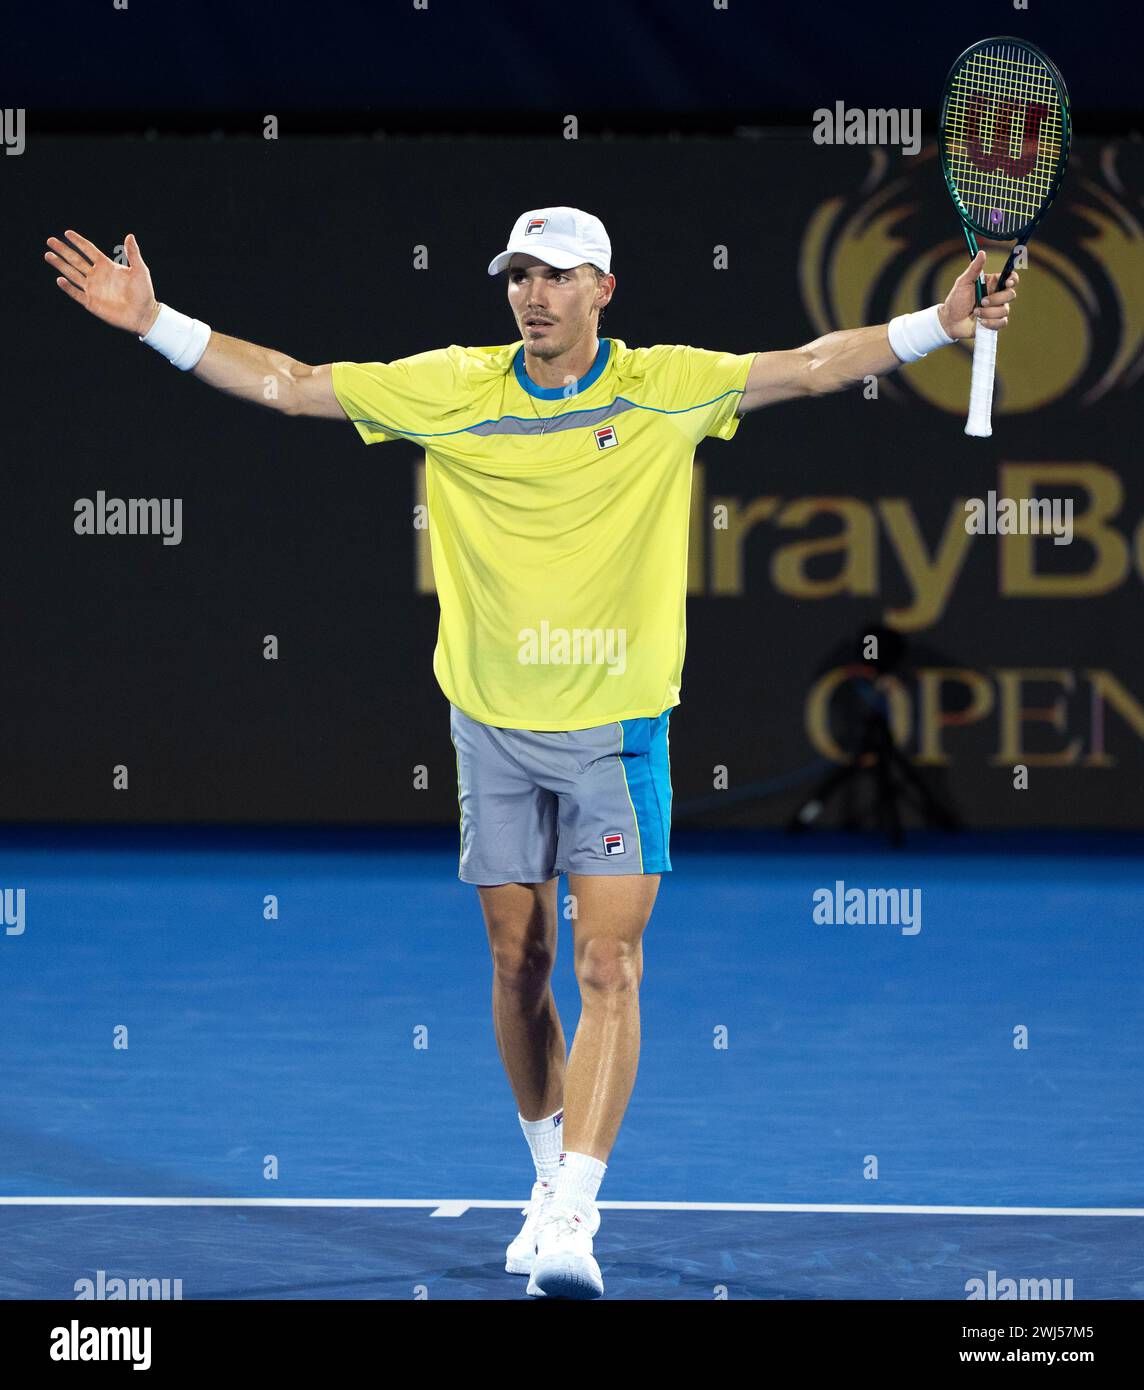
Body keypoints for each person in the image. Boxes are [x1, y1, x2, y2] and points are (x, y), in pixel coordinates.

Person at [44, 205, 1017, 1299]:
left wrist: (935, 325)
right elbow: (297, 382)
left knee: (607, 964)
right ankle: (544, 1178)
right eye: (519, 276)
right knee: (520, 964)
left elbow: (806, 365)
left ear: (604, 288)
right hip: (490, 729)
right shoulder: (454, 386)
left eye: (556, 277)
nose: (533, 295)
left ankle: (573, 1211)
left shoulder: (666, 387)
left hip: (616, 733)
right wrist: (155, 323)